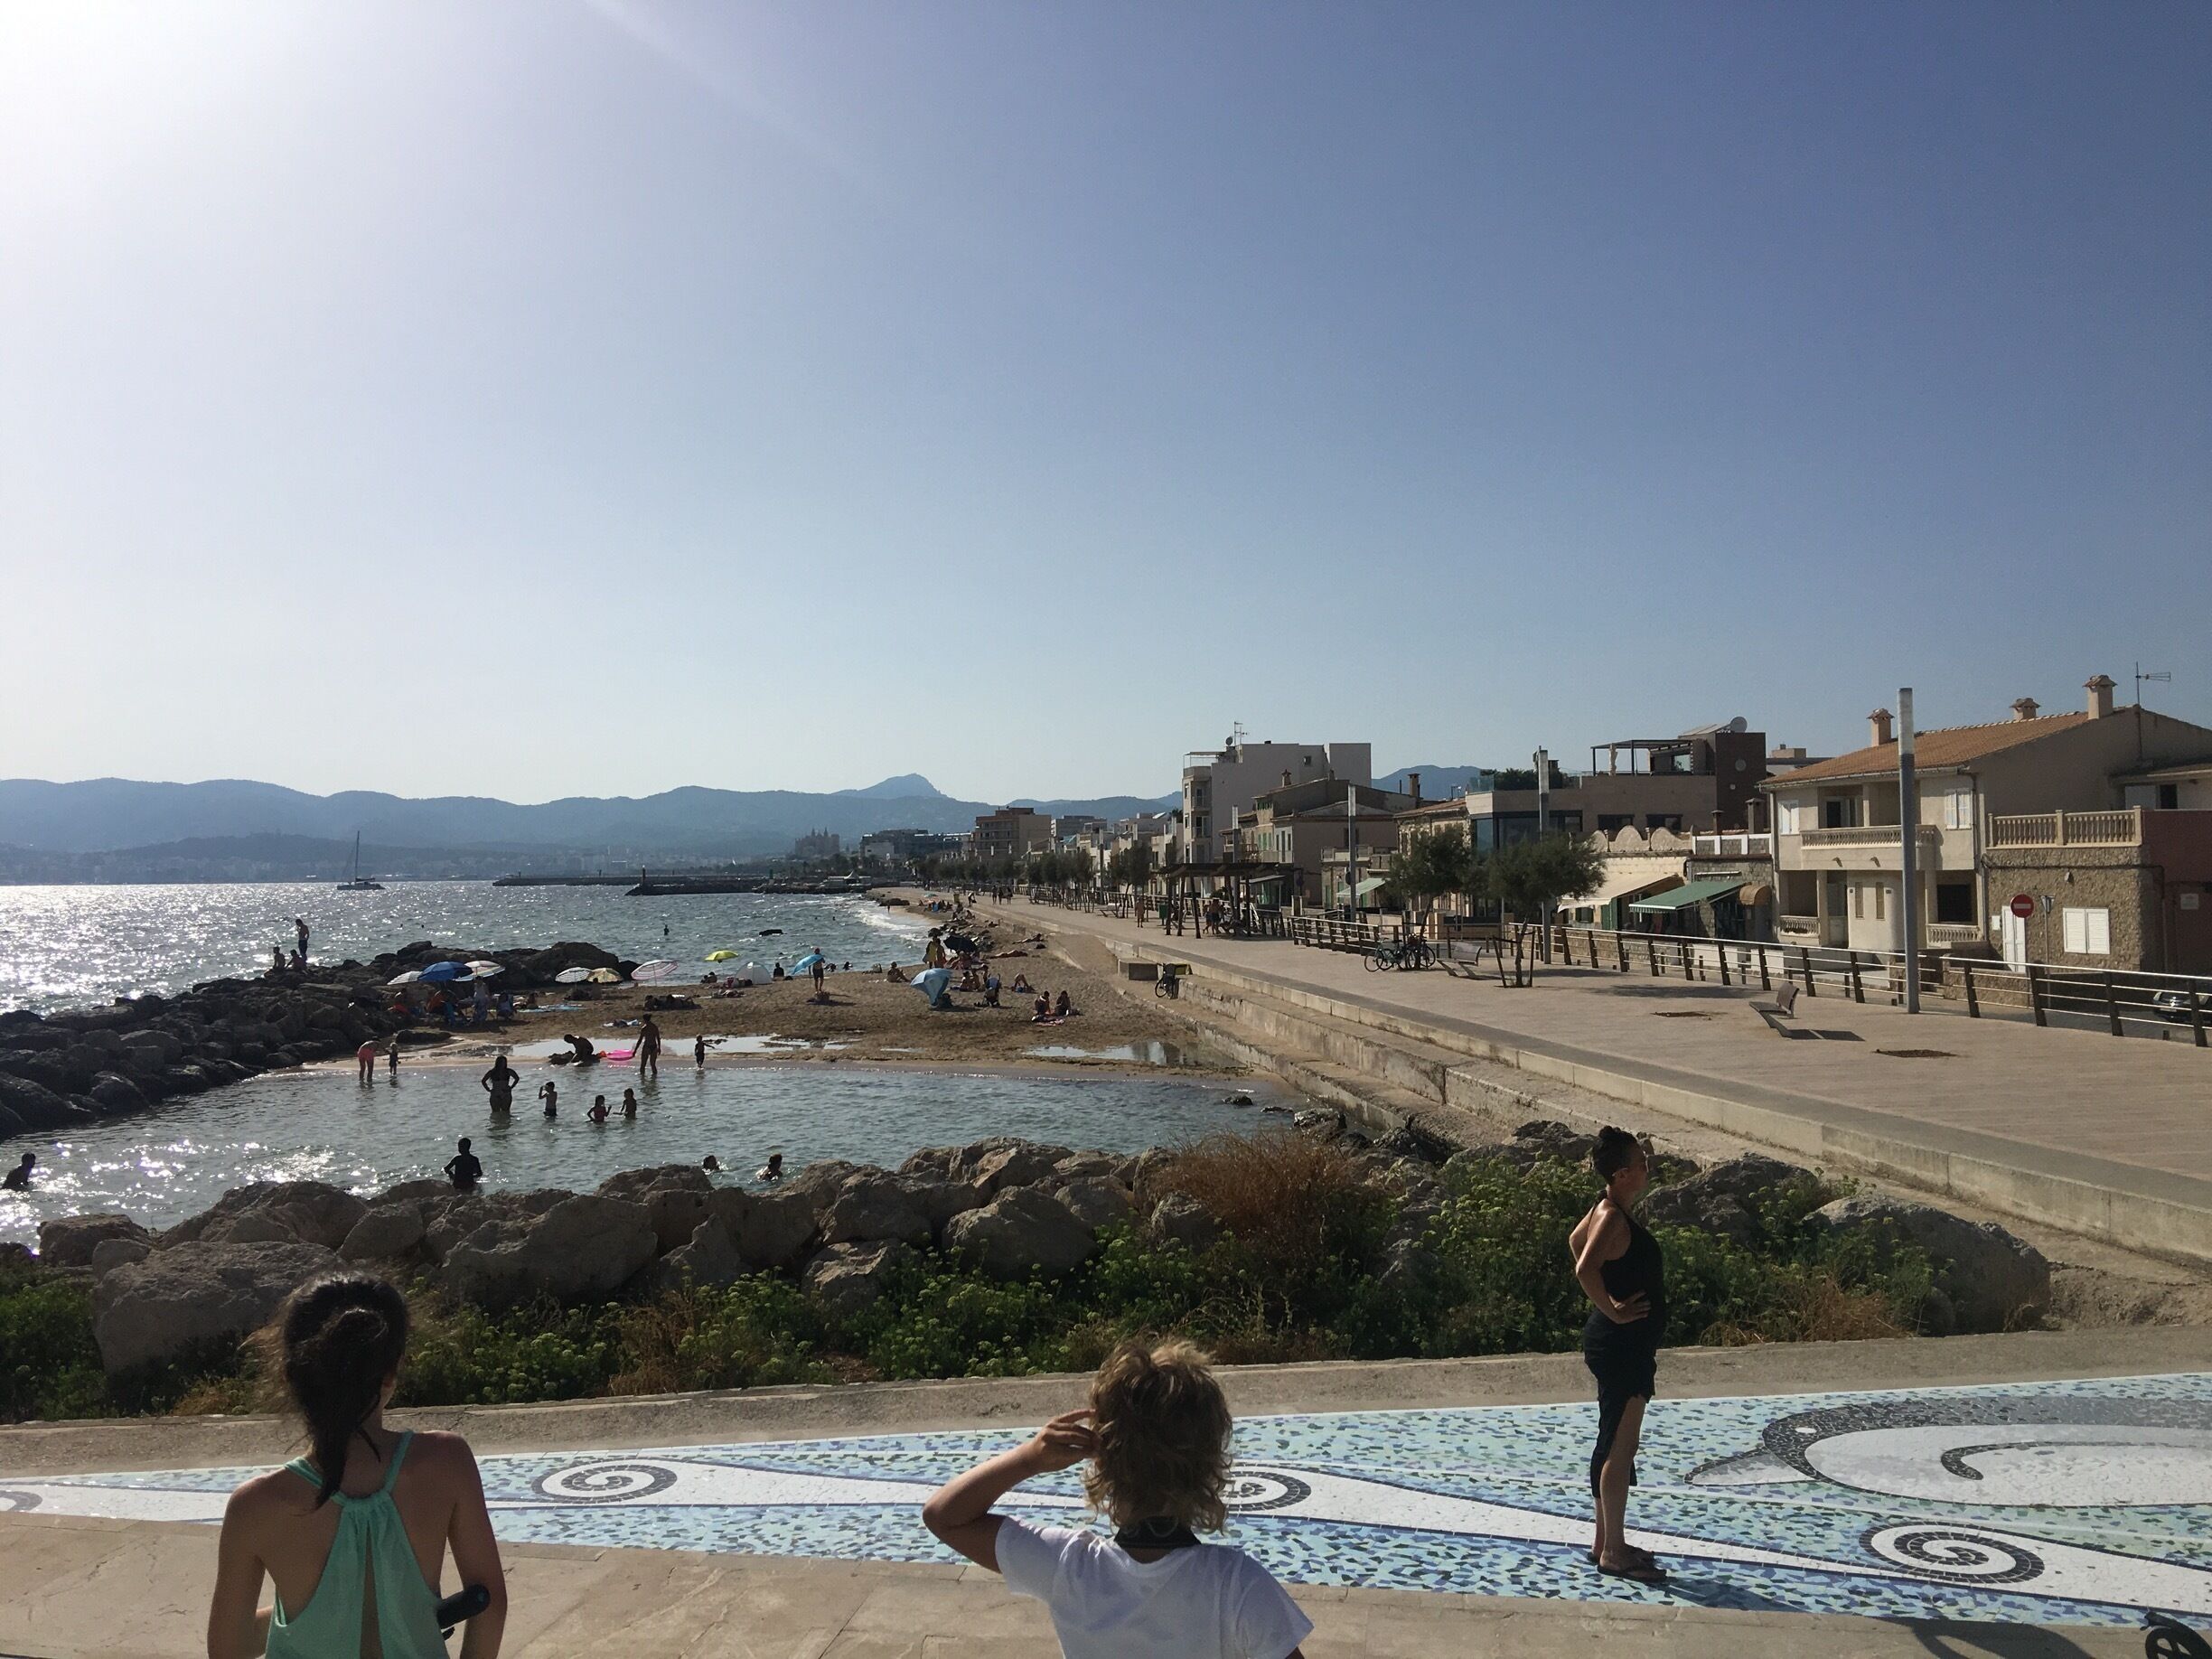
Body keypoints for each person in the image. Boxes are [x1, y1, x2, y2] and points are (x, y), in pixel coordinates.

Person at [922, 1340, 1310, 1659]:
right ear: (1208, 1465)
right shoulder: (1236, 1586)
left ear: (1101, 1461)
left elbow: (944, 1516)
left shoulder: (1069, 1568)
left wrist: (1029, 1458)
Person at [206, 1275, 507, 1659]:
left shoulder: (256, 1506)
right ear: (392, 1371)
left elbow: (227, 1650)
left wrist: (294, 1617)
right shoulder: (446, 1462)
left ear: (291, 1376)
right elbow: (490, 1602)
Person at [1570, 1126, 1668, 1585]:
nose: (1648, 1167)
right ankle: (1613, 1549)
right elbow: (1583, 1264)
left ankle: (1604, 1541)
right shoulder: (1611, 1217)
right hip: (1621, 1345)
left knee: (1611, 1439)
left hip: (1619, 1342)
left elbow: (1576, 1241)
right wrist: (1612, 1308)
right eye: (1641, 1162)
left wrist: (1610, 1304)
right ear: (1624, 1173)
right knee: (1621, 1445)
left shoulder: (1605, 1208)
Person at [637, 1014, 661, 1082]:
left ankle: (643, 1081)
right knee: (653, 1065)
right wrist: (659, 1047)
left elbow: (640, 1040)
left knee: (643, 1065)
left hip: (647, 1047)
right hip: (654, 1046)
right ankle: (654, 1080)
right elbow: (658, 1038)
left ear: (644, 1019)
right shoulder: (654, 1027)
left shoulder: (644, 1028)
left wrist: (635, 1050)